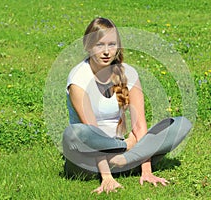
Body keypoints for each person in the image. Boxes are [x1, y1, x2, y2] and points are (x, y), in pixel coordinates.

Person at [62, 17, 192, 194]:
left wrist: (146, 171)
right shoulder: (79, 79)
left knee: (180, 124)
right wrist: (107, 177)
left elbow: (139, 127)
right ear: (88, 46)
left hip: (120, 151)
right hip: (86, 158)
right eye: (100, 45)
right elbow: (92, 132)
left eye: (112, 44)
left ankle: (124, 161)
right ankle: (122, 158)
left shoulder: (128, 73)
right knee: (74, 133)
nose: (107, 51)